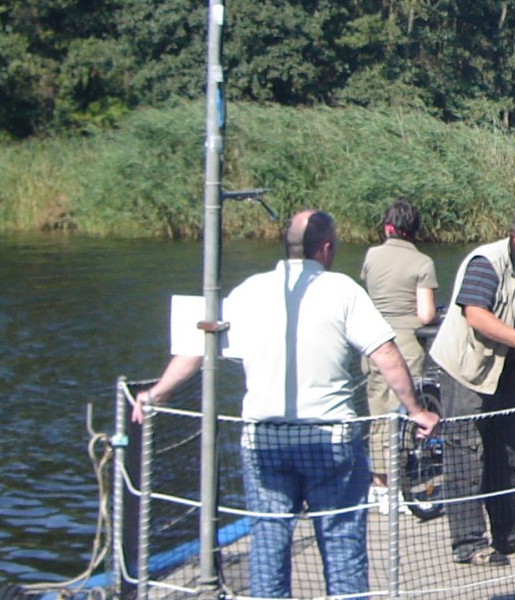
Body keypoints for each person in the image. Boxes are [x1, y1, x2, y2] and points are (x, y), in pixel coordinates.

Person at [133, 210, 441, 598]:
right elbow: (386, 353)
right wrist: (416, 410)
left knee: (268, 542)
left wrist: (155, 393)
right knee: (341, 541)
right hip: (329, 439)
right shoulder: (342, 290)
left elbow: (197, 348)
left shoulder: (247, 291)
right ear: (326, 248)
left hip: (265, 439)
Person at [428, 205, 515, 565]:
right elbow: (475, 315)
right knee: (466, 457)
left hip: (502, 373)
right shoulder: (486, 262)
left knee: (511, 454)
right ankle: (468, 543)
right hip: (466, 372)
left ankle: (510, 535)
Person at [358, 200, 438, 496]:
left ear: (388, 227)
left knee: (378, 413)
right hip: (406, 347)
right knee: (405, 415)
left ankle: (378, 484)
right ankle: (394, 487)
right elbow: (426, 315)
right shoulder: (422, 262)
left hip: (373, 343)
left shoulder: (371, 255)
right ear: (414, 230)